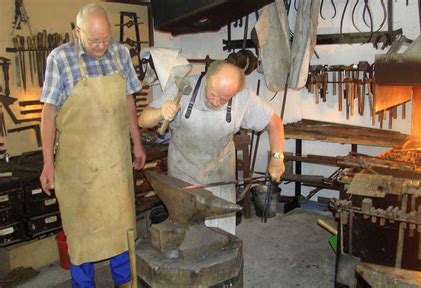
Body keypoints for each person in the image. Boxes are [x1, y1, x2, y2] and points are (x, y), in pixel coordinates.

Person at [39, 4, 146, 287]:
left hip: (114, 162)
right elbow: (48, 113)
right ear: (77, 32)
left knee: (121, 227)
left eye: (105, 39)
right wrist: (48, 163)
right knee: (81, 234)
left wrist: (137, 142)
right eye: (93, 40)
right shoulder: (59, 58)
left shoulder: (121, 53)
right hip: (78, 168)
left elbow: (128, 100)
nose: (100, 47)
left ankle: (125, 282)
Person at [139, 60, 285, 235]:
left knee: (221, 237)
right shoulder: (184, 89)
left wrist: (277, 157)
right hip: (183, 176)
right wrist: (160, 112)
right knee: (187, 235)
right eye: (212, 94)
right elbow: (143, 119)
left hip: (220, 177)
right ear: (207, 79)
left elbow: (274, 122)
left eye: (224, 99)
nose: (216, 102)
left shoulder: (243, 98)